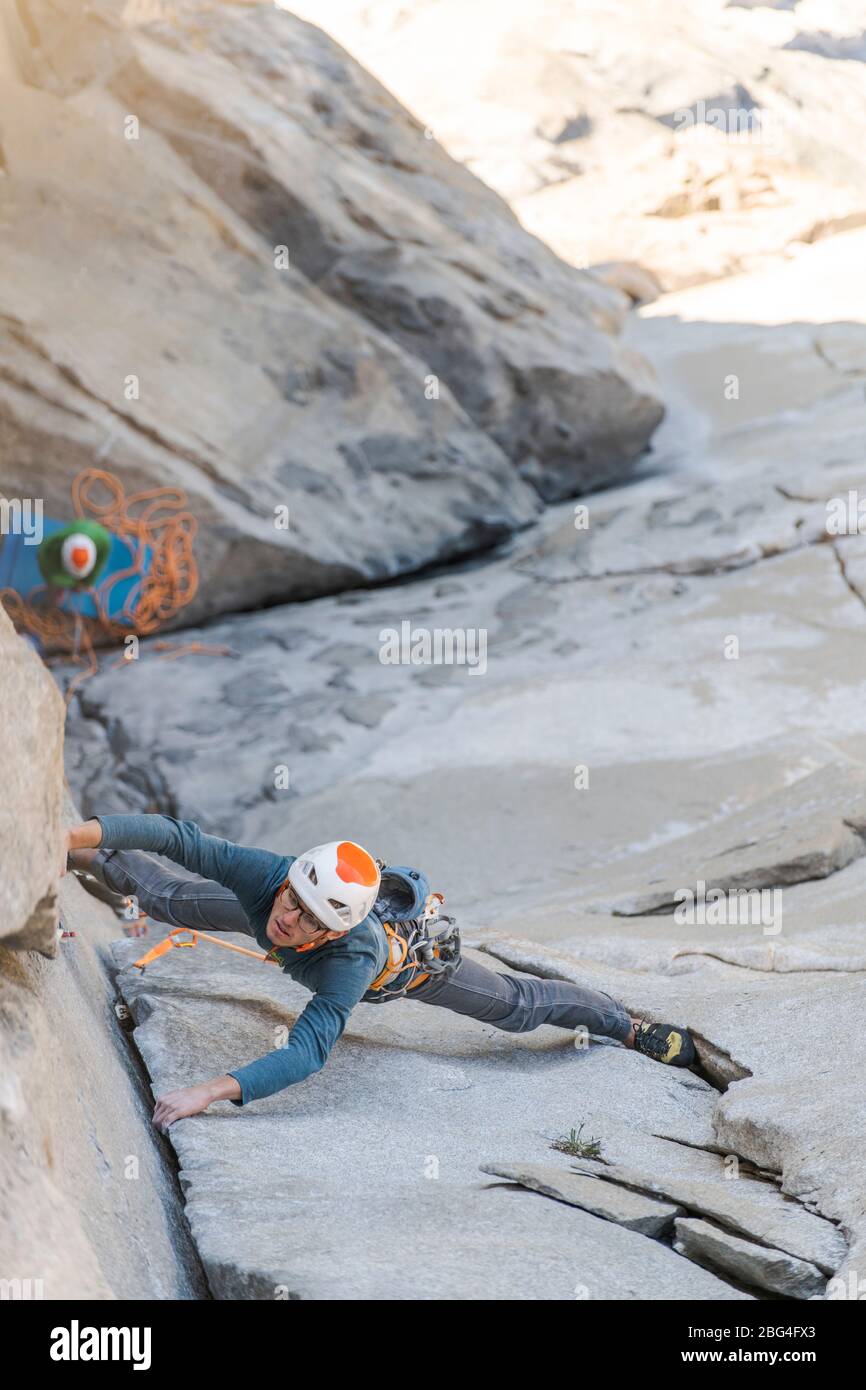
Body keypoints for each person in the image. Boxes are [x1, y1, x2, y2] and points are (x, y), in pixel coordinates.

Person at [64, 814, 696, 1130]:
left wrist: (208, 1092)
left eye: (310, 920)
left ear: (333, 931)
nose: (289, 922)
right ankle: (75, 855)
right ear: (286, 882)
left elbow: (310, 1049)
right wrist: (68, 832)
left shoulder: (349, 958)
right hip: (342, 916)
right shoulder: (271, 879)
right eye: (290, 901)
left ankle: (625, 1024)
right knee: (169, 898)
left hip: (411, 968)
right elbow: (179, 839)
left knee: (518, 1007)